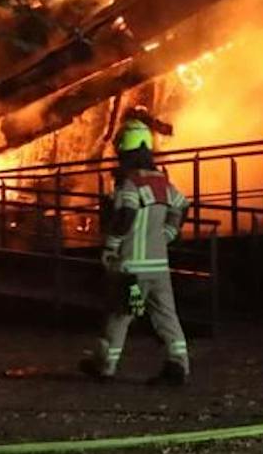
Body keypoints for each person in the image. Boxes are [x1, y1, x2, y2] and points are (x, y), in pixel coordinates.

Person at [80, 118, 190, 385]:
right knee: (166, 315)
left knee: (121, 314)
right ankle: (179, 364)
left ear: (123, 150)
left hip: (131, 269)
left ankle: (104, 365)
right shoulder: (162, 183)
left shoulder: (129, 184)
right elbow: (182, 205)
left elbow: (126, 215)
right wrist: (169, 233)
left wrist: (111, 246)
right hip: (159, 269)